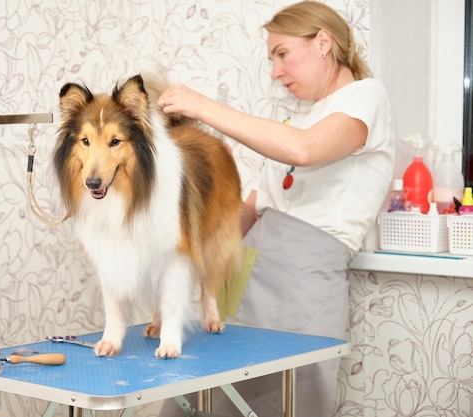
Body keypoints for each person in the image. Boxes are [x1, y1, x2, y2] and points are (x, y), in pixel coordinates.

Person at [157, 1, 396, 416]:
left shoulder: (365, 97)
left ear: (324, 41)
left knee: (281, 404)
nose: (275, 72)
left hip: (302, 289)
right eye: (271, 60)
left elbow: (302, 152)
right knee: (200, 400)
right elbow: (249, 210)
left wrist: (202, 107)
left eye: (281, 54)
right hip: (249, 277)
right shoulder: (300, 119)